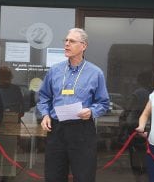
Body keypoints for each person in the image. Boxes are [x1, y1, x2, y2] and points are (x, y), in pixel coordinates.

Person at [37, 28, 110, 182]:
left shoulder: (95, 73)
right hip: (57, 130)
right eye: (66, 40)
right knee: (53, 176)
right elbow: (44, 96)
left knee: (84, 176)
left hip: (82, 130)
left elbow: (103, 103)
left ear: (83, 46)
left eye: (72, 41)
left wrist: (91, 111)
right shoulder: (54, 71)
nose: (66, 44)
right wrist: (45, 114)